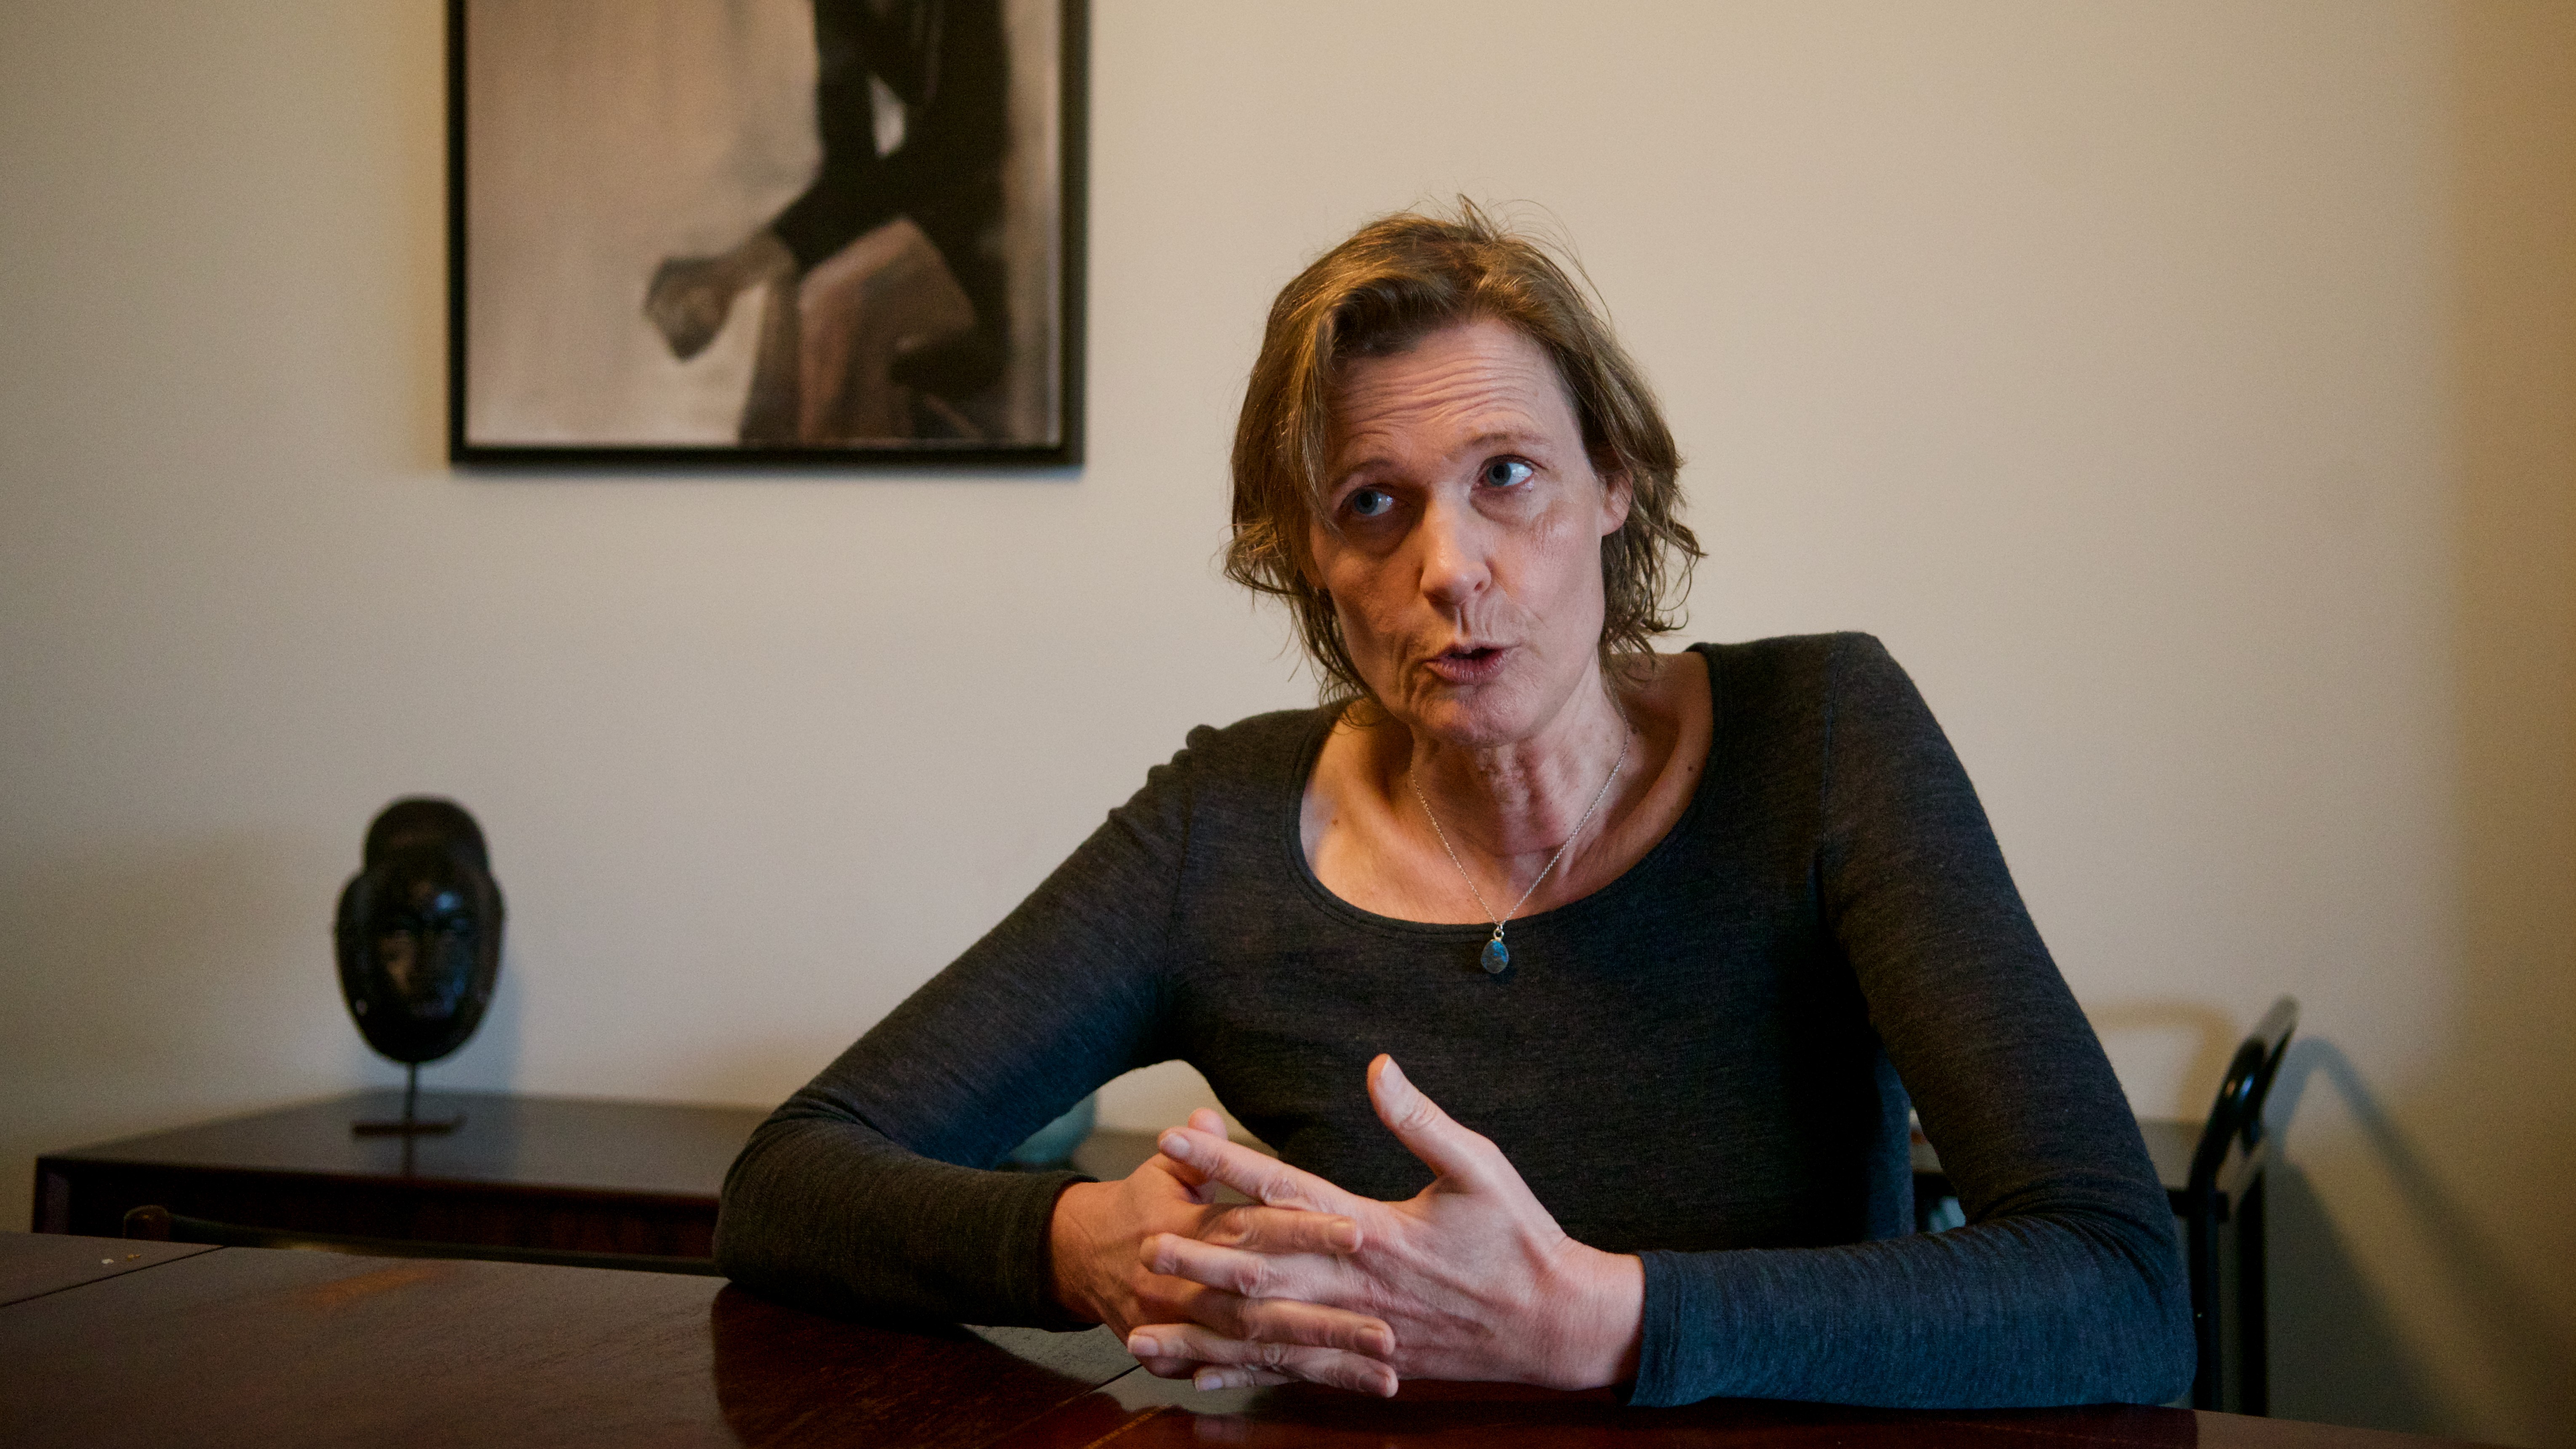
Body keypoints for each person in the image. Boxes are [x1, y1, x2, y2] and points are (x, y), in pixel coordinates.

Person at [714, 204, 2196, 1409]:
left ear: (1614, 483)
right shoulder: (1221, 825)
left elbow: (2122, 1288)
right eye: (1374, 501)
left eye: (1508, 476)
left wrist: (1590, 1318)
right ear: (1311, 557)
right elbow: (788, 1180)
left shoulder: (1824, 739)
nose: (1450, 566)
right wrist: (1076, 1239)